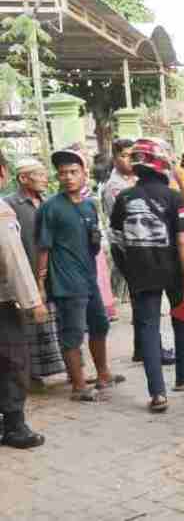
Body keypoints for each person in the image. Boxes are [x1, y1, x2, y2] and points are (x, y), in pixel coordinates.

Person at [109, 139, 184, 412]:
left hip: (140, 272)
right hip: (172, 269)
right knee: (181, 320)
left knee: (148, 328)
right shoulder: (174, 198)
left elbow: (116, 241)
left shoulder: (123, 198)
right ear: (162, 164)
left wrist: (129, 271)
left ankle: (158, 394)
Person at [34, 149, 115, 402]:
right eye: (63, 173)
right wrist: (40, 285)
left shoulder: (91, 205)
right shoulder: (50, 208)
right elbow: (43, 248)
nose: (68, 177)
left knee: (100, 325)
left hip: (89, 279)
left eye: (73, 172)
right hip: (67, 282)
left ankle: (103, 375)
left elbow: (94, 244)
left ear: (84, 174)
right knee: (73, 332)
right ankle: (79, 386)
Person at [0, 149, 49, 449]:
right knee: (13, 359)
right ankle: (15, 426)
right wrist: (33, 300)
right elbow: (12, 257)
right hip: (3, 303)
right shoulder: (2, 211)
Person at [4, 158, 64, 389]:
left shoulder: (48, 202)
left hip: (53, 273)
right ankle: (31, 375)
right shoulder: (10, 205)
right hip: (26, 271)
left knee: (54, 321)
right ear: (23, 178)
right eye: (38, 174)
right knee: (29, 326)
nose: (44, 177)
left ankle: (61, 368)